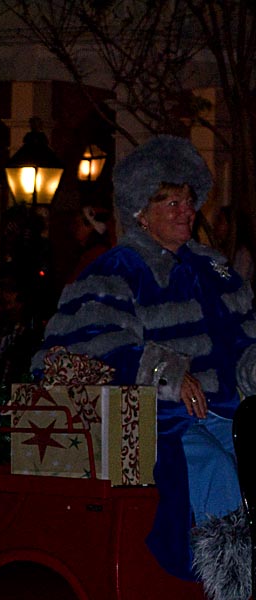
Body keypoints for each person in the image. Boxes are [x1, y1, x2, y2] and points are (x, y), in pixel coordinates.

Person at [30, 135, 251, 598]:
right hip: (155, 417)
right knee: (214, 467)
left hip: (228, 409)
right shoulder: (115, 270)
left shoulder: (215, 268)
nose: (185, 211)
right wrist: (166, 373)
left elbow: (245, 339)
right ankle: (230, 584)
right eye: (171, 201)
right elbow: (91, 348)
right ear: (140, 212)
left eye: (189, 200)